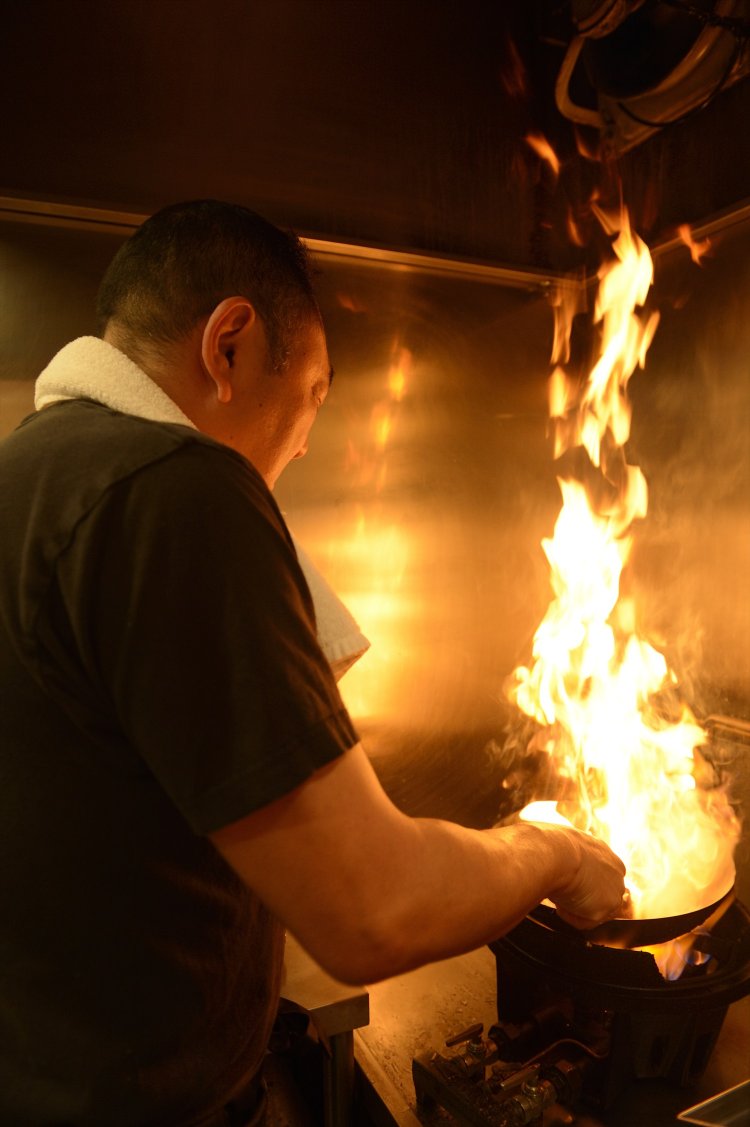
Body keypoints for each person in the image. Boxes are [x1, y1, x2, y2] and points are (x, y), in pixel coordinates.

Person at [0, 200, 627, 1127]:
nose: (301, 441)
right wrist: (556, 851)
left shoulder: (36, 471)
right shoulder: (174, 490)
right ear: (230, 345)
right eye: (314, 395)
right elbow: (374, 910)